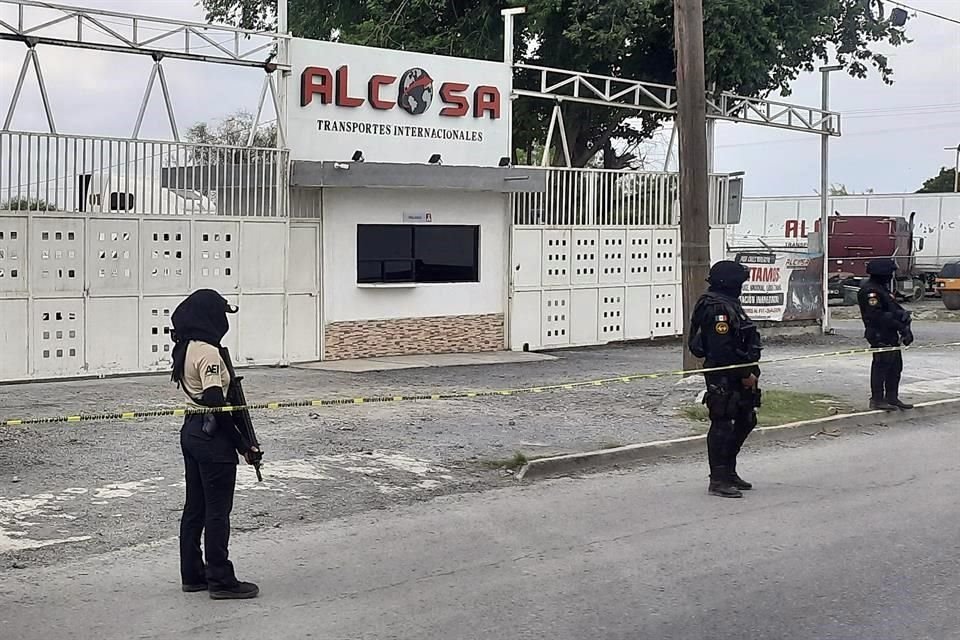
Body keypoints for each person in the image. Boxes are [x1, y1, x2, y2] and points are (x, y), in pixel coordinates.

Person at [171, 289, 261, 600]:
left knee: (195, 507)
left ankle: (193, 574)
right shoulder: (208, 353)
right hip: (212, 436)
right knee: (217, 512)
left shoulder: (187, 347)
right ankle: (221, 578)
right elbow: (216, 403)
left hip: (192, 430)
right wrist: (242, 444)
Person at [688, 261, 763, 499]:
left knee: (746, 419)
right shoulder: (715, 307)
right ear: (728, 282)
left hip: (741, 370)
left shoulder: (730, 302)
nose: (742, 285)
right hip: (724, 374)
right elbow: (722, 350)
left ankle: (729, 470)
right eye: (739, 281)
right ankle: (718, 478)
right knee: (723, 423)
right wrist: (744, 375)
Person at [857, 258, 914, 411]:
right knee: (881, 366)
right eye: (889, 273)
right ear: (881, 273)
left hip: (891, 333)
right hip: (879, 334)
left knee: (895, 367)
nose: (891, 276)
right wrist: (898, 324)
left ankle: (892, 398)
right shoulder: (870, 291)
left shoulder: (883, 289)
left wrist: (905, 324)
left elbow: (895, 310)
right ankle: (877, 399)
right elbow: (878, 316)